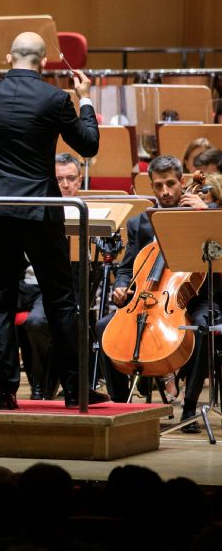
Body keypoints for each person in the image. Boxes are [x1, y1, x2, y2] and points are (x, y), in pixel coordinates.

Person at [0, 32, 105, 410]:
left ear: (8, 56)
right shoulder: (54, 98)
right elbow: (89, 145)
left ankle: (4, 393)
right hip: (40, 211)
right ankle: (76, 391)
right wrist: (86, 100)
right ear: (45, 62)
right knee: (61, 301)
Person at [99, 156, 217, 430]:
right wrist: (121, 286)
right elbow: (128, 268)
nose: (165, 192)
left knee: (201, 326)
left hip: (198, 298)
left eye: (171, 184)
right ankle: (120, 408)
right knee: (104, 328)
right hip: (149, 298)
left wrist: (205, 214)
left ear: (182, 182)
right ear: (151, 187)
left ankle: (189, 410)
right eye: (158, 185)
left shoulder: (206, 211)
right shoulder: (140, 223)